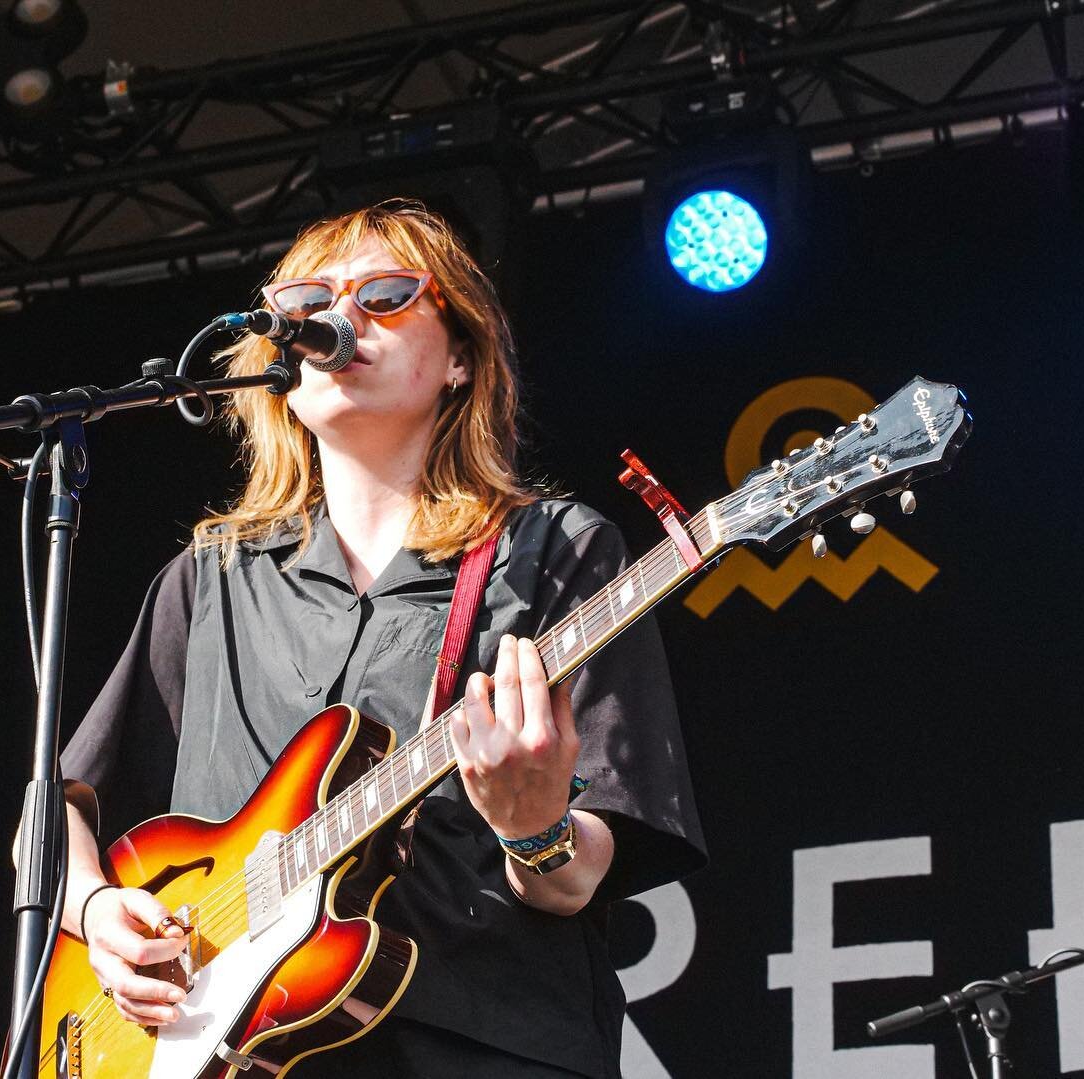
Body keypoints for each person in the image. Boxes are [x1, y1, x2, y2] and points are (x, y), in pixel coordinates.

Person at [56, 199, 705, 1078]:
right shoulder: (210, 577)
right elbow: (49, 815)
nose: (338, 319)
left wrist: (534, 828)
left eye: (386, 295)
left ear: (461, 360)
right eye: (307, 300)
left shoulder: (555, 551)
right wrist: (96, 912)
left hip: (480, 1046)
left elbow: (575, 876)